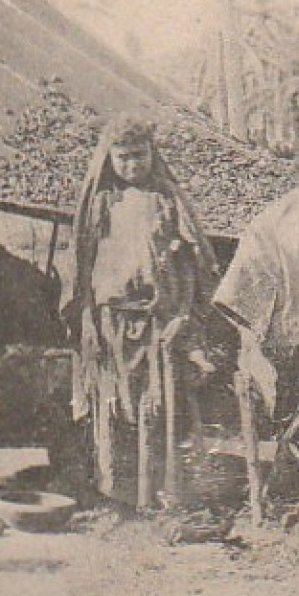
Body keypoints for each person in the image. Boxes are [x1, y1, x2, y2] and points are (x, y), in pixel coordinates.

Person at [69, 115, 221, 510]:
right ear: (109, 159)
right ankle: (116, 496)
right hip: (111, 320)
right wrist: (87, 317)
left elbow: (193, 263)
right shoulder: (100, 203)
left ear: (153, 154)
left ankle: (157, 496)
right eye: (123, 158)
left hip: (158, 321)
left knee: (156, 407)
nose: (132, 166)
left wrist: (183, 313)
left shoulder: (167, 199)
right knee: (115, 405)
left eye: (139, 156)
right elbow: (83, 264)